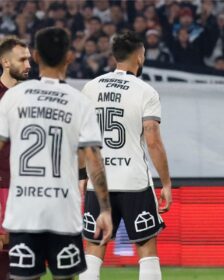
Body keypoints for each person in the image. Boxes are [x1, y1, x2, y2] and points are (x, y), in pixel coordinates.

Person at [0, 27, 113, 280]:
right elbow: (94, 160)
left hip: (23, 213)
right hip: (63, 210)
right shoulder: (79, 101)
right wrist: (105, 210)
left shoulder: (13, 98)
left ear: (37, 56)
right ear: (69, 56)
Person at [79, 30, 172, 280]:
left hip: (98, 181)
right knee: (146, 249)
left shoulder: (90, 87)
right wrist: (166, 183)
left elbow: (81, 138)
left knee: (95, 247)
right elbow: (152, 140)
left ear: (114, 56)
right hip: (133, 181)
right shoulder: (145, 91)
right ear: (140, 56)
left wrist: (81, 176)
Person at [0, 36, 31, 280]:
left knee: (29, 260)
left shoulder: (34, 97)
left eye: (29, 59)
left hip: (31, 189)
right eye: (23, 59)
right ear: (5, 62)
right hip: (3, 186)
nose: (29, 64)